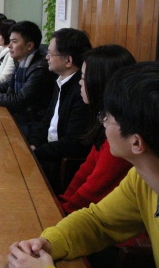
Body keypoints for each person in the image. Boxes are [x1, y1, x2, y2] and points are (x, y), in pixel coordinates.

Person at [6, 62, 159, 268]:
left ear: (136, 143)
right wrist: (48, 243)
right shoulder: (146, 175)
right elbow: (99, 222)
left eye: (107, 117)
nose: (103, 123)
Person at [59, 45, 136, 214]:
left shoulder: (120, 135)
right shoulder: (103, 121)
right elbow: (84, 173)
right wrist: (62, 203)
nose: (80, 82)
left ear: (100, 83)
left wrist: (62, 210)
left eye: (83, 77)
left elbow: (91, 194)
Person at [27, 28, 92, 191]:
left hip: (60, 162)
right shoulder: (61, 80)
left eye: (50, 54)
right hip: (48, 151)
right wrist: (33, 143)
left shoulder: (81, 91)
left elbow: (73, 143)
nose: (46, 57)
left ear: (68, 60)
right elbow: (47, 119)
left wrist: (36, 152)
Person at [0, 21, 54, 134]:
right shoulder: (22, 61)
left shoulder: (40, 69)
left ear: (30, 45)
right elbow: (9, 84)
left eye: (14, 42)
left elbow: (19, 100)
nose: (10, 46)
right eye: (10, 41)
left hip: (31, 124)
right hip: (20, 117)